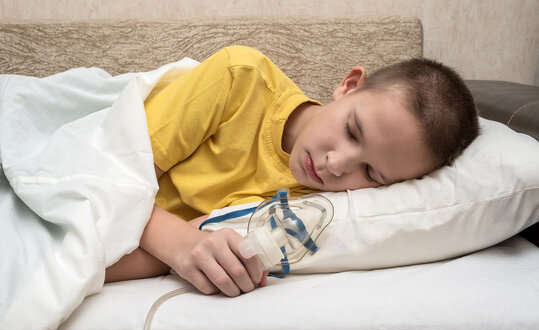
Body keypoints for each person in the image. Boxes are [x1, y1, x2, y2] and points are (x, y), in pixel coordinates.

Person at [105, 46, 479, 296]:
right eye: (352, 131)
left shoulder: (307, 210)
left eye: (372, 174)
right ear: (348, 86)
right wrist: (179, 242)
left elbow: (132, 255)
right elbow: (107, 175)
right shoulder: (241, 79)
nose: (336, 165)